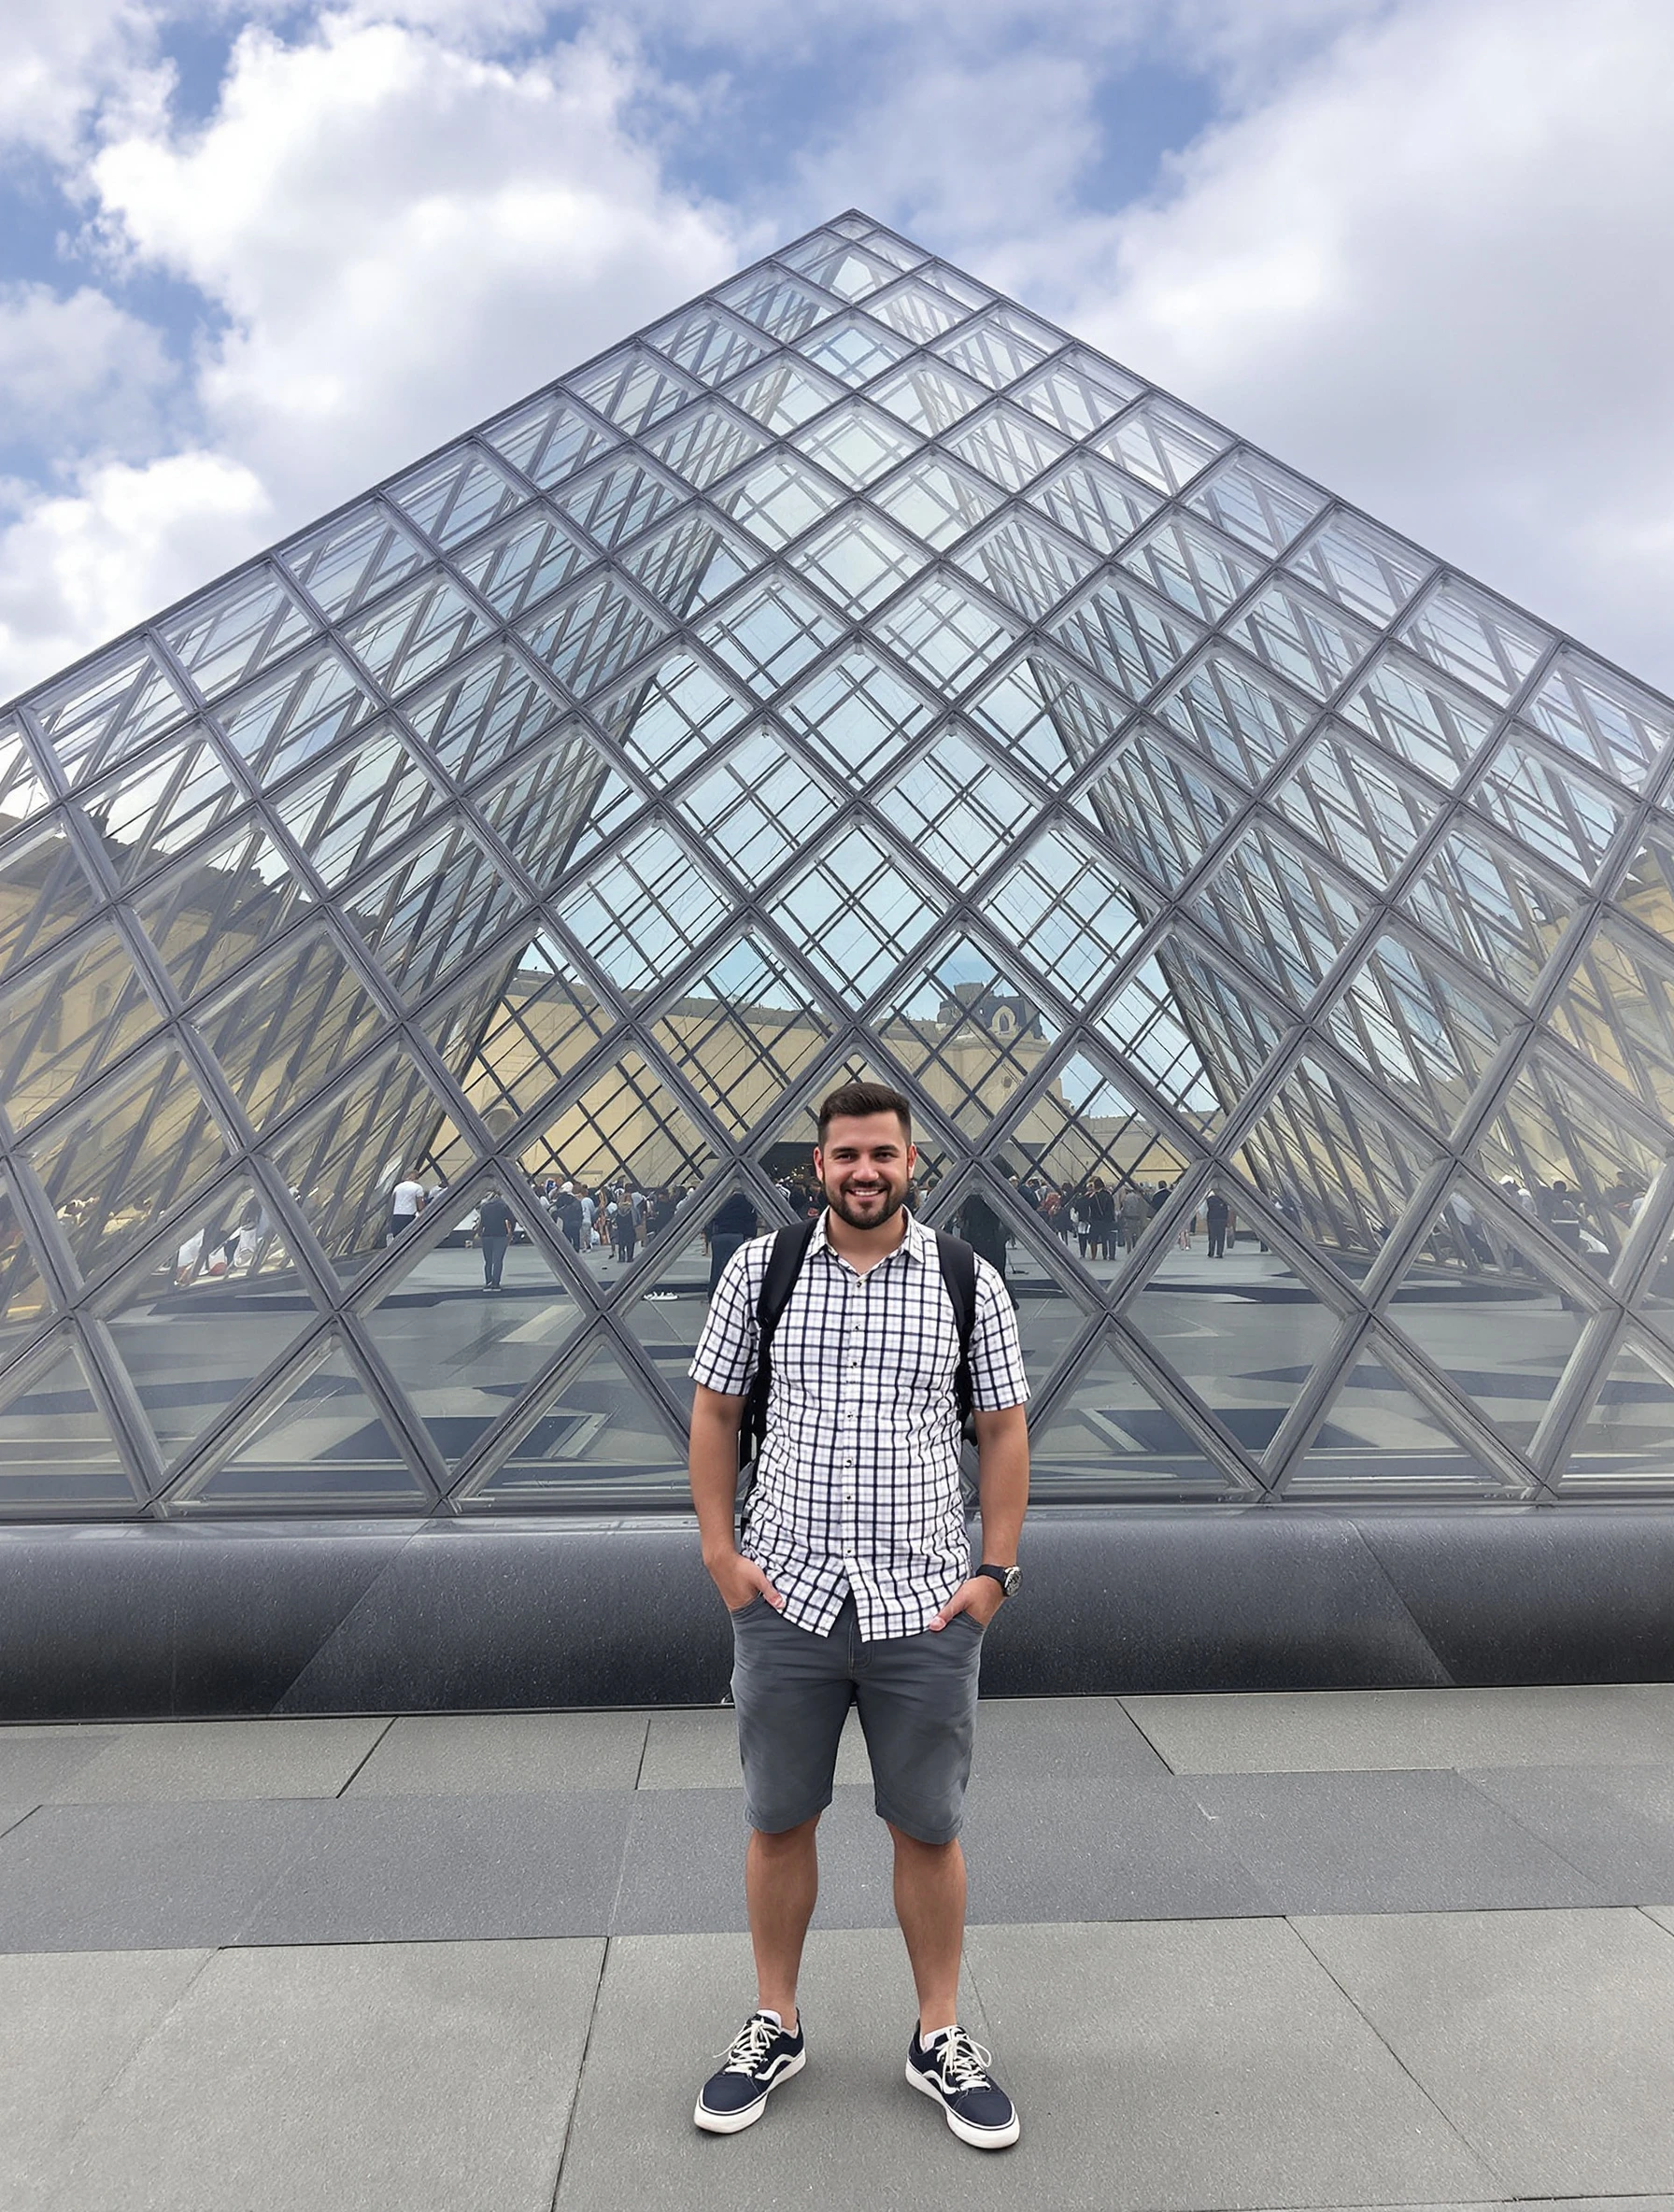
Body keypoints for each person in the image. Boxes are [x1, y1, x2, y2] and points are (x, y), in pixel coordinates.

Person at [687, 1082, 1029, 2149]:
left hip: (924, 1603)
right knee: (777, 1815)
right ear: (818, 1166)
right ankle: (773, 2020)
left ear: (913, 1160)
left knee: (926, 1826)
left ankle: (938, 2033)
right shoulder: (762, 1269)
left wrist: (994, 1574)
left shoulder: (969, 1281)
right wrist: (719, 1555)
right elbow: (716, 1409)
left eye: (882, 1153)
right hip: (785, 1593)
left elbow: (1003, 1431)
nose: (864, 1170)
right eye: (846, 1155)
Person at [707, 1188, 759, 1291]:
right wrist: (751, 1235)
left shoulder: (721, 1200)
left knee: (716, 1266)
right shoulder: (746, 1202)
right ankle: (730, 1290)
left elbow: (711, 1217)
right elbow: (751, 1219)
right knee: (734, 1265)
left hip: (719, 1235)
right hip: (736, 1234)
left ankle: (713, 1291)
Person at [476, 1186, 514, 1292]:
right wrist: (511, 1233)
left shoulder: (484, 1207)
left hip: (487, 1235)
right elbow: (510, 1220)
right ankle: (495, 1283)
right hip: (500, 1235)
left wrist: (479, 1234)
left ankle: (488, 1282)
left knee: (488, 1261)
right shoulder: (504, 1206)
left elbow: (481, 1223)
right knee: (498, 1261)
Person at [388, 1170, 427, 1245]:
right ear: (414, 1177)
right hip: (409, 1215)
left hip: (397, 1215)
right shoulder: (418, 1187)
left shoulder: (397, 1187)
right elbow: (420, 1203)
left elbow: (393, 1201)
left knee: (397, 1238)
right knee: (408, 1237)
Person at [1205, 1188, 1230, 1259]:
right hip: (1222, 1220)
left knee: (1212, 1237)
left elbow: (1206, 1209)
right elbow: (1227, 1210)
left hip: (1212, 1219)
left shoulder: (1209, 1199)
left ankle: (1211, 1252)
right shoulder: (1225, 1200)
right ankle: (1219, 1253)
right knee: (1221, 1237)